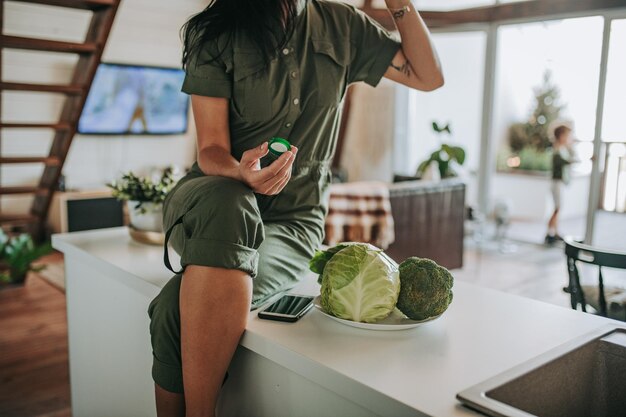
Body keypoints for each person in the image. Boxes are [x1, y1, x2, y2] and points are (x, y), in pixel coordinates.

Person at [147, 1, 443, 416]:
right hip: (209, 202)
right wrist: (242, 173)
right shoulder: (219, 30)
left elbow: (428, 77)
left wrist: (399, 4)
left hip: (292, 222)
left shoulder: (345, 26)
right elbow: (211, 150)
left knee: (171, 309)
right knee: (233, 203)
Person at [545, 124, 573, 245]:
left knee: (558, 208)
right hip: (556, 183)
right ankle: (550, 233)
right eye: (567, 135)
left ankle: (555, 232)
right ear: (561, 136)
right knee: (557, 208)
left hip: (559, 183)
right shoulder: (557, 150)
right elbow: (565, 162)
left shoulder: (562, 149)